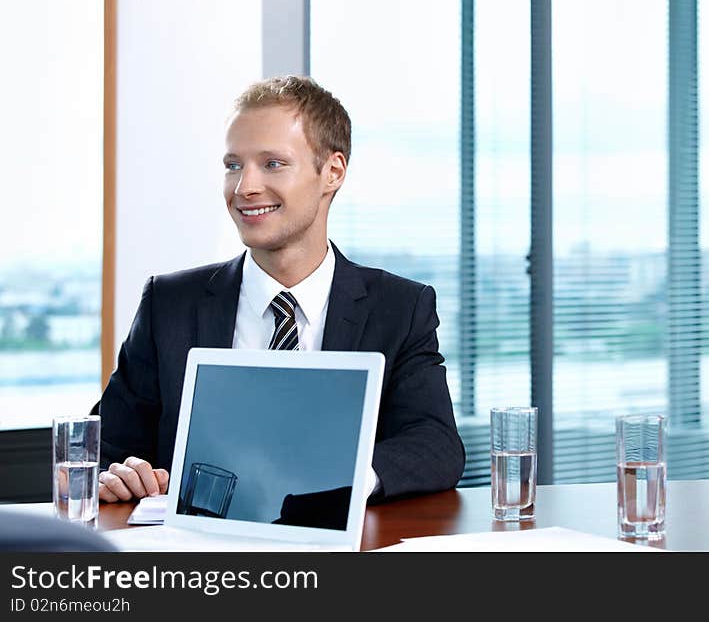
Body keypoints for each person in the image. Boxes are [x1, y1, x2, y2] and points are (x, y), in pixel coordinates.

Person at [96, 75, 465, 504]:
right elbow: (106, 447)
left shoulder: (400, 308)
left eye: (272, 163)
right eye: (233, 165)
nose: (244, 187)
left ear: (332, 172)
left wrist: (336, 483)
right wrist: (121, 473)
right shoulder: (169, 303)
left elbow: (436, 446)